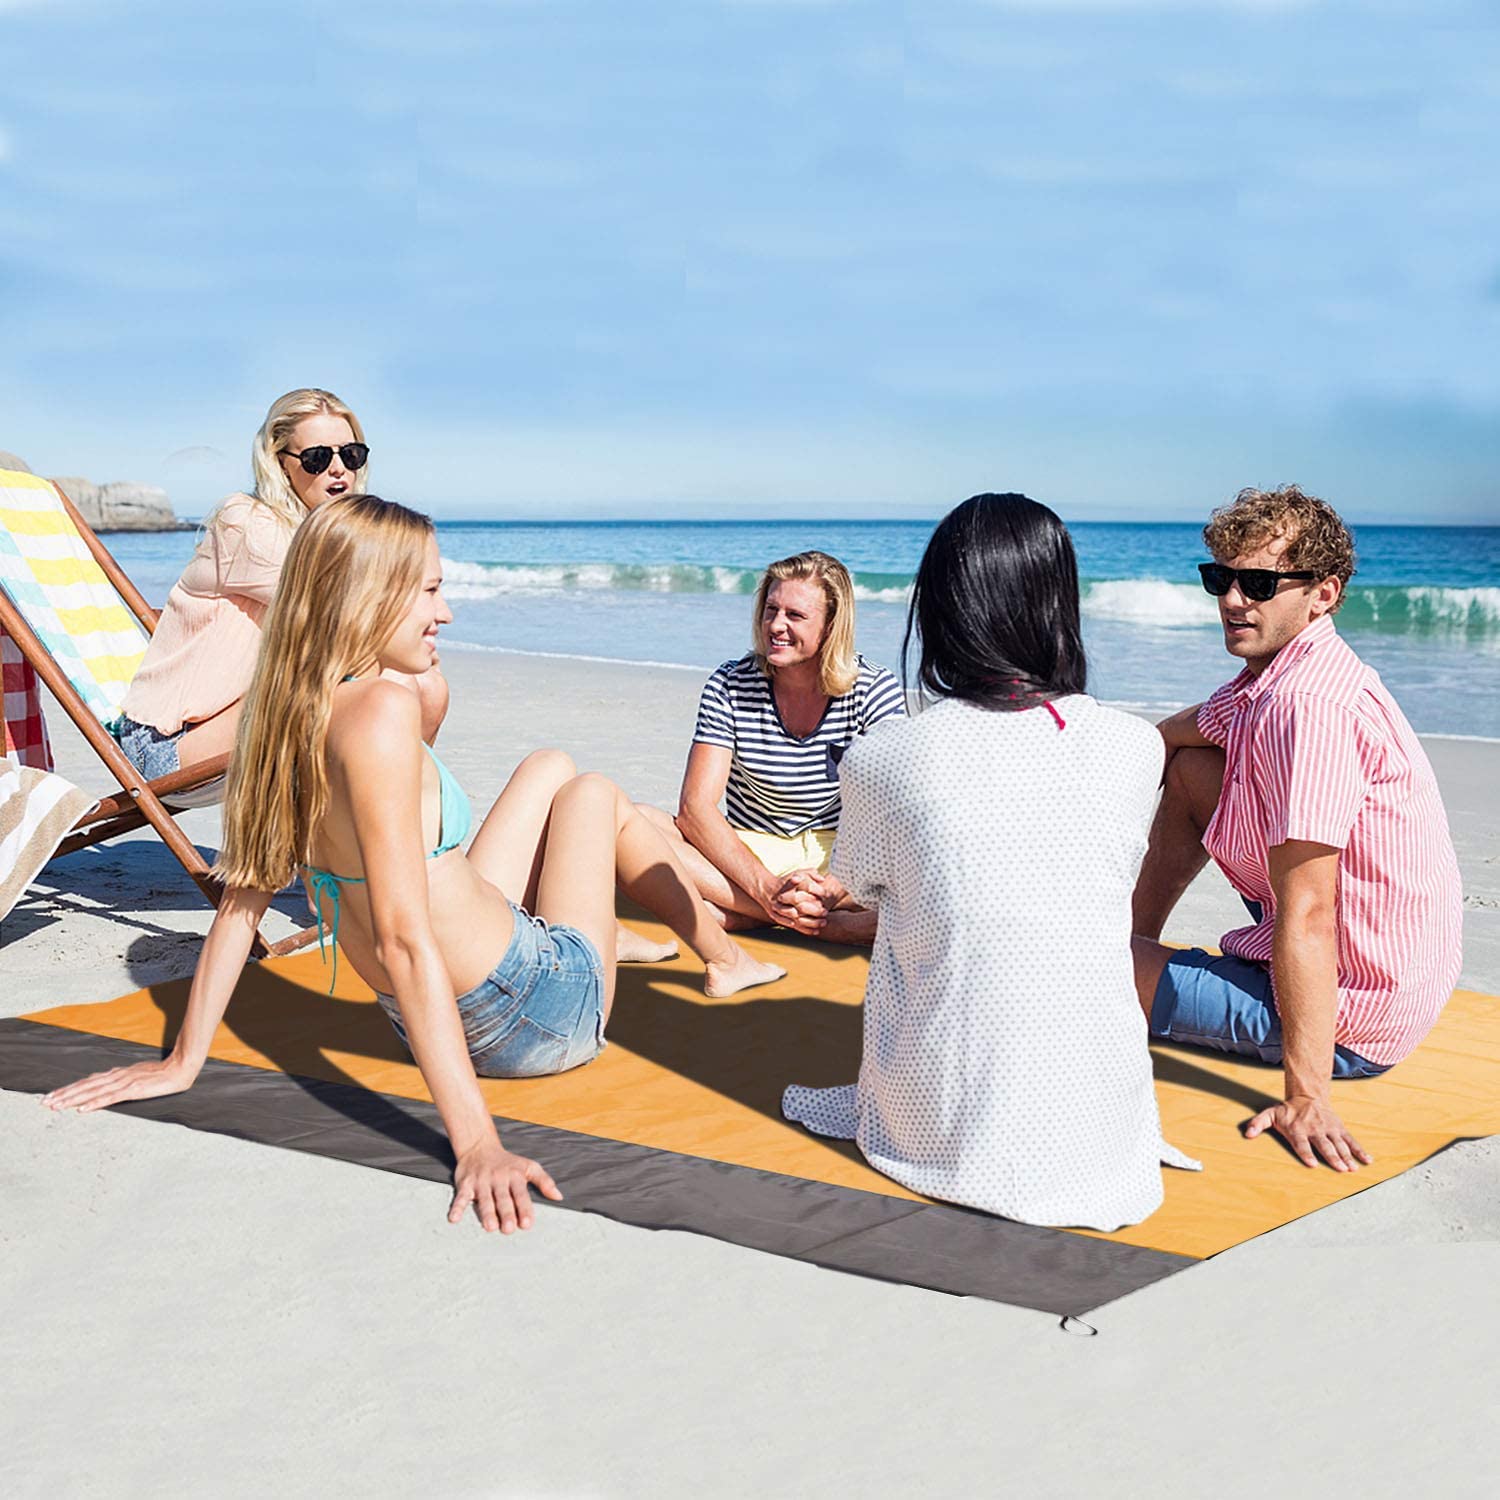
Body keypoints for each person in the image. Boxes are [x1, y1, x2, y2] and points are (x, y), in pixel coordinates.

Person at [45, 496, 784, 1234]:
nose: (446, 613)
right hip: (536, 1011)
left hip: (447, 1002)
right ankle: (722, 959)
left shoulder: (284, 710)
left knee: (549, 765)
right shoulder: (380, 713)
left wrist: (183, 1061)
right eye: (430, 590)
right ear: (367, 597)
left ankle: (627, 936)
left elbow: (242, 904)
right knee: (593, 793)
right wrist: (478, 1144)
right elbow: (404, 938)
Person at [778, 495, 1195, 1232]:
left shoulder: (884, 757)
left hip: (943, 1127)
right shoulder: (1136, 748)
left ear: (944, 609)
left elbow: (865, 887)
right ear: (1059, 605)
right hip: (1100, 1130)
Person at [1130, 485, 1462, 1172]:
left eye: (1258, 584)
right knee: (1194, 769)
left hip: (1351, 1015)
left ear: (1323, 595)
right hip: (1373, 963)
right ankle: (1133, 938)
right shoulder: (1276, 676)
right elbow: (1177, 736)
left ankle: (1124, 962)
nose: (1232, 600)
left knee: (1067, 960)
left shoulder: (1304, 706)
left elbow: (1310, 912)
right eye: (1220, 578)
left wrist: (1307, 1098)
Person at [113, 388, 446, 778]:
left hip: (239, 718)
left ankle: (392, 811)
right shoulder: (245, 523)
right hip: (168, 741)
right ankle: (370, 814)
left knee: (427, 688)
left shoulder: (331, 534)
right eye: (318, 458)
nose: (338, 469)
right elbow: (350, 617)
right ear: (279, 463)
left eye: (351, 455)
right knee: (394, 687)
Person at [639, 551, 905, 945]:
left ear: (832, 625)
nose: (776, 625)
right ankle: (811, 921)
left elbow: (893, 810)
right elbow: (695, 809)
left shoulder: (873, 688)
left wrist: (832, 889)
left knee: (935, 852)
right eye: (771, 610)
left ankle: (748, 914)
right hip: (749, 854)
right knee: (636, 822)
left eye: (795, 615)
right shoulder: (730, 684)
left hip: (840, 861)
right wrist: (766, 889)